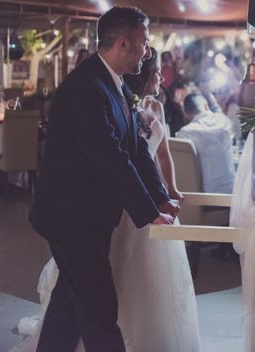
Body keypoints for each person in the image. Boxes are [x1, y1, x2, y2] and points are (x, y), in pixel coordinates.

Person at [24, 47, 200, 352]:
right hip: (71, 216)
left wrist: (160, 196)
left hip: (90, 216)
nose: (147, 55)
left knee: (68, 303)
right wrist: (148, 210)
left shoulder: (115, 87)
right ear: (122, 44)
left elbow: (138, 152)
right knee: (100, 310)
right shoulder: (88, 87)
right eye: (143, 45)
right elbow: (113, 158)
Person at [177, 92, 235, 195]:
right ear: (206, 106)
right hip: (231, 192)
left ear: (185, 113)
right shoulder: (224, 121)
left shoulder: (185, 133)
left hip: (207, 196)